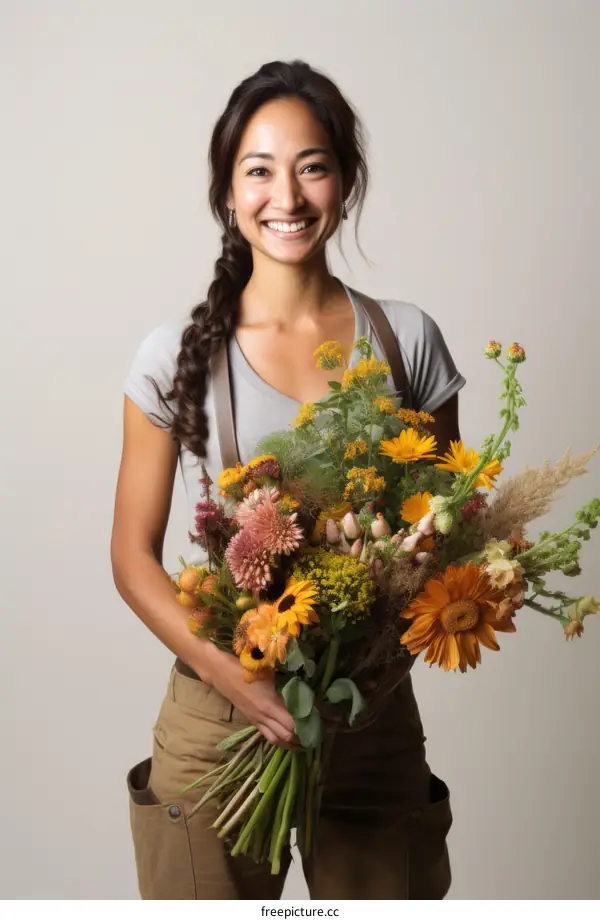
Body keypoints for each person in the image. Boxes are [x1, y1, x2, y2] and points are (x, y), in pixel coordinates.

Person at [111, 59, 466, 900]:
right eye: (259, 170)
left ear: (343, 180)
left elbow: (449, 526)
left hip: (368, 717)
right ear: (228, 191)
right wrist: (237, 675)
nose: (288, 196)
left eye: (312, 166)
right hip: (219, 721)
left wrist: (370, 663)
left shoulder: (407, 339)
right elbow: (131, 557)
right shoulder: (174, 357)